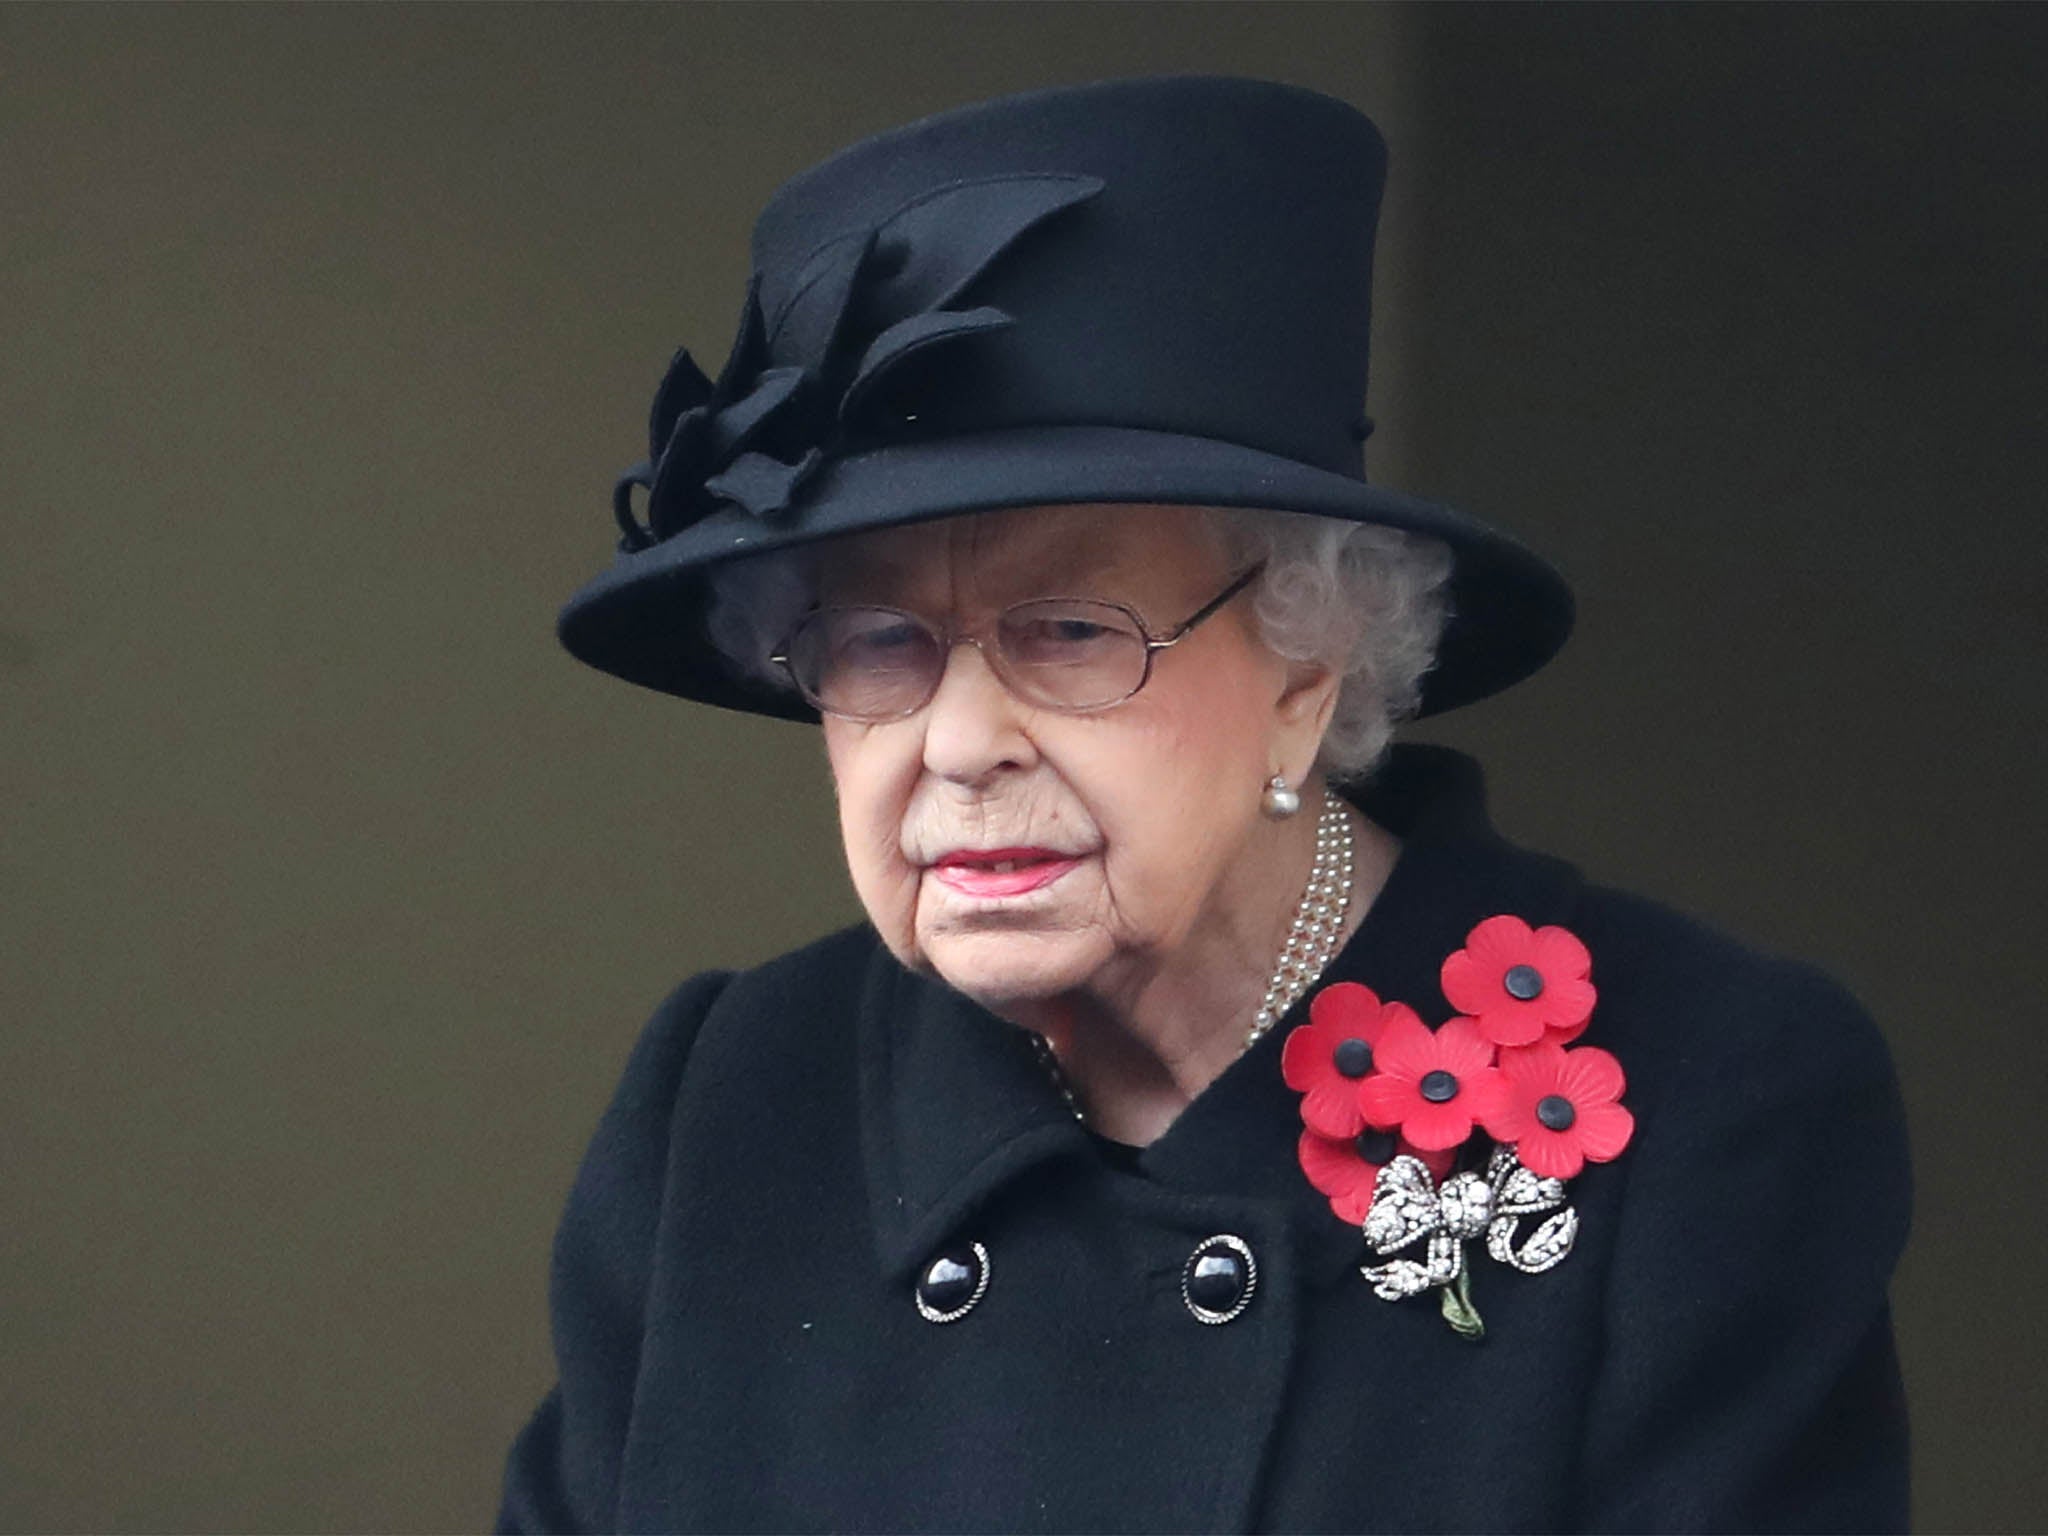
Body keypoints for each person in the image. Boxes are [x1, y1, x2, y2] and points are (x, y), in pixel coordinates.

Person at [498, 77, 1909, 1534]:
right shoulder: (730, 1103)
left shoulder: (1709, 1094)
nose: (959, 743)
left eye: (1071, 631)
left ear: (1310, 662)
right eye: (876, 642)